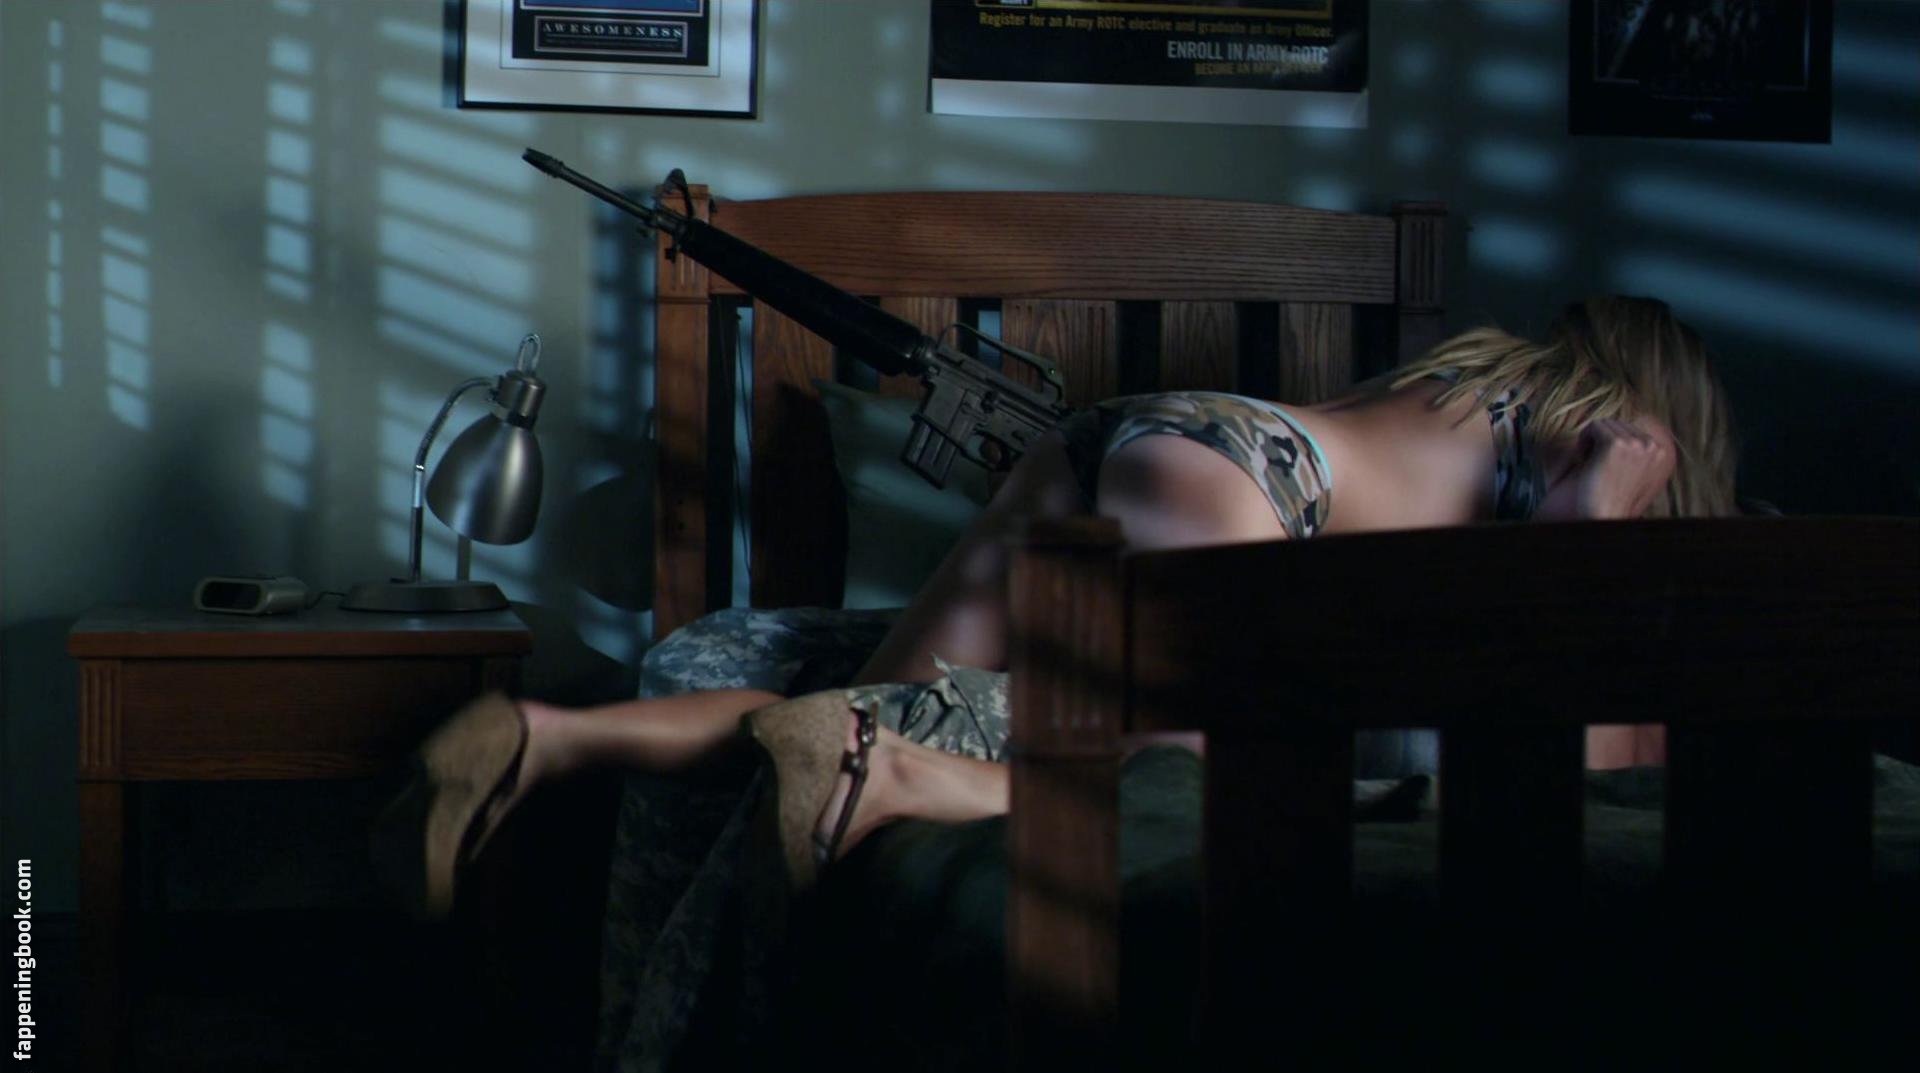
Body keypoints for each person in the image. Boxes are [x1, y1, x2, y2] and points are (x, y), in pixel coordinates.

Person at [373, 294, 1739, 915]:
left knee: (860, 700)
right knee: (1183, 781)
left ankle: (547, 737)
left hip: (1165, 437)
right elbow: (1559, 639)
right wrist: (1608, 510)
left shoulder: (1486, 372)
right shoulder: (1613, 437)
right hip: (1254, 486)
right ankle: (899, 778)